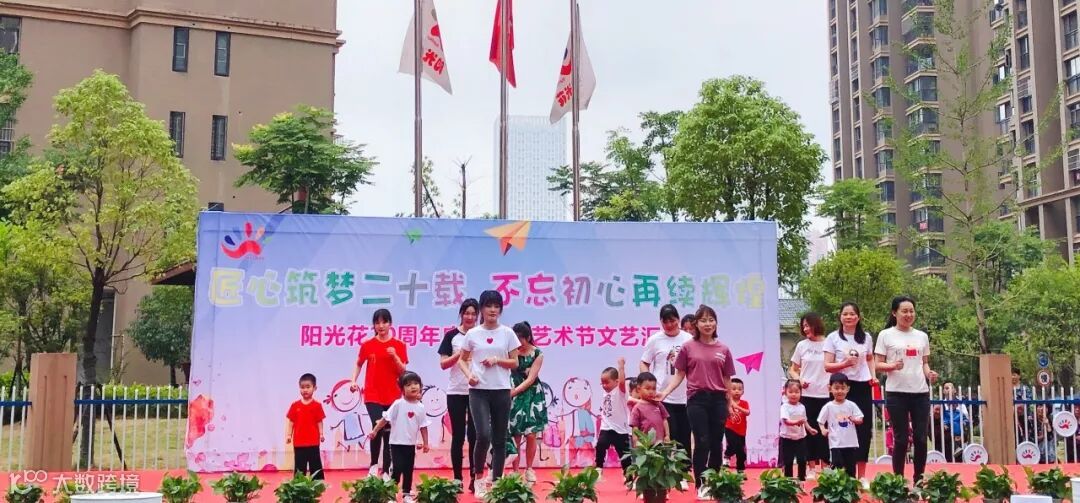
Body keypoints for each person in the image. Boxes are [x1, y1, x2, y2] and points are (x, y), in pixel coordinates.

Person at [658, 304, 737, 501]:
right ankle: (701, 485)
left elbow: (727, 378)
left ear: (716, 323)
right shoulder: (688, 347)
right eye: (703, 320)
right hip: (696, 400)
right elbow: (679, 374)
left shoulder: (723, 349)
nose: (707, 324)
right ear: (696, 324)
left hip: (718, 400)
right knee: (702, 442)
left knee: (717, 443)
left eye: (711, 320)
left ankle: (714, 483)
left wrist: (730, 402)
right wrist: (665, 392)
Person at [460, 290, 520, 498]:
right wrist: (469, 375)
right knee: (483, 435)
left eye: (496, 306)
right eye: (488, 306)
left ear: (500, 310)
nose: (493, 310)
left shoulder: (508, 333)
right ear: (481, 309)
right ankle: (478, 478)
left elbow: (515, 362)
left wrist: (497, 360)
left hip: (501, 390)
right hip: (479, 391)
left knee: (500, 438)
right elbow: (462, 359)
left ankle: (496, 481)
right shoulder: (473, 334)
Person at [875, 295, 936, 483]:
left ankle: (919, 479)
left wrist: (929, 373)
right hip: (896, 393)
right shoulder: (886, 335)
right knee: (901, 439)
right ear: (894, 313)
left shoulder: (921, 336)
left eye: (911, 311)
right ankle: (898, 481)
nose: (908, 314)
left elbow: (924, 363)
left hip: (920, 393)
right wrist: (892, 366)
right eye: (904, 311)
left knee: (920, 438)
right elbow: (878, 364)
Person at [640, 304, 693, 489]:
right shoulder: (655, 340)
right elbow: (644, 362)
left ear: (678, 319)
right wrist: (648, 384)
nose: (669, 325)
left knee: (685, 435)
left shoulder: (688, 339)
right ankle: (667, 474)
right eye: (665, 321)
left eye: (672, 320)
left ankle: (684, 473)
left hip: (686, 396)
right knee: (668, 435)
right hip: (662, 397)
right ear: (661, 322)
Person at [823, 302, 876, 485]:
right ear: (840, 317)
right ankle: (840, 472)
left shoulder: (866, 338)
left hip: (862, 386)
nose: (849, 317)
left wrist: (873, 376)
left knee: (863, 429)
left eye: (852, 314)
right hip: (841, 386)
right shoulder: (833, 338)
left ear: (858, 317)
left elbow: (870, 359)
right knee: (839, 427)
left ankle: (861, 476)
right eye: (845, 314)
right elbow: (827, 365)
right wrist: (844, 364)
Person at [352, 309, 408, 479]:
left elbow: (403, 371)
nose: (381, 326)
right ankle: (373, 466)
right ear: (374, 325)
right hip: (372, 393)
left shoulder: (399, 345)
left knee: (389, 430)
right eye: (377, 323)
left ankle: (386, 469)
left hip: (393, 395)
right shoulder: (367, 345)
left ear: (390, 324)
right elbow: (359, 363)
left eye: (384, 322)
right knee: (377, 425)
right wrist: (353, 380)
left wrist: (395, 356)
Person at [436, 298, 479, 490]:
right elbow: (443, 364)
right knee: (458, 436)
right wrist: (460, 355)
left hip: (477, 391)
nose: (469, 317)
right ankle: (457, 478)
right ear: (461, 314)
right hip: (455, 391)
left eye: (473, 314)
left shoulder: (481, 334)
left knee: (475, 436)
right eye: (466, 313)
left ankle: (475, 478)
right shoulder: (451, 336)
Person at [368, 372, 430, 503]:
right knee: (397, 467)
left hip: (410, 444)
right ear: (402, 389)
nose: (413, 387)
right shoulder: (398, 404)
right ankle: (391, 494)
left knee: (408, 469)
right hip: (396, 443)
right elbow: (385, 419)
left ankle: (406, 494)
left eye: (416, 383)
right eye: (408, 385)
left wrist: (426, 443)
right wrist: (375, 431)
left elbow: (423, 426)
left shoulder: (421, 407)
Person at [789, 312, 830, 479]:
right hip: (807, 395)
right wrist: (799, 379)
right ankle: (811, 467)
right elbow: (793, 369)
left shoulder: (829, 343)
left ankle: (826, 467)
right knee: (810, 431)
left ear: (816, 324)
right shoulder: (802, 346)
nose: (806, 329)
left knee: (825, 431)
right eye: (803, 326)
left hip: (826, 395)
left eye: (808, 325)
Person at [508, 321, 547, 482]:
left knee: (531, 435)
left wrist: (514, 392)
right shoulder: (510, 352)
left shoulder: (538, 353)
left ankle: (529, 469)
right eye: (515, 338)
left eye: (521, 338)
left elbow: (531, 379)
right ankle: (515, 471)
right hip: (514, 395)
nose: (519, 342)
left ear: (528, 337)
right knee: (515, 434)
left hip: (532, 396)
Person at [818, 373, 864, 478]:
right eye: (836, 388)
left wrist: (855, 420)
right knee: (837, 465)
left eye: (843, 388)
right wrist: (823, 429)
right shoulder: (828, 406)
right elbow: (820, 421)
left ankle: (851, 485)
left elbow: (860, 419)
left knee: (850, 467)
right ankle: (835, 484)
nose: (840, 391)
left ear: (848, 389)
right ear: (830, 388)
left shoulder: (851, 405)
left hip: (850, 442)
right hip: (835, 443)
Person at [596, 358, 632, 477]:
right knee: (601, 444)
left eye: (607, 382)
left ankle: (628, 476)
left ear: (616, 381)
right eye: (602, 383)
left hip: (620, 429)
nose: (604, 385)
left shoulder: (620, 391)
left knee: (624, 455)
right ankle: (598, 468)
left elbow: (622, 382)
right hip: (606, 426)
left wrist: (621, 366)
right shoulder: (605, 392)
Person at [286, 373, 326, 480]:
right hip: (299, 443)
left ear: (314, 388)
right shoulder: (295, 405)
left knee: (315, 464)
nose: (305, 390)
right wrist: (289, 435)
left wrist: (321, 434)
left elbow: (319, 421)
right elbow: (291, 422)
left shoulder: (317, 405)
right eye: (302, 387)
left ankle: (318, 483)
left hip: (313, 442)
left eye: (308, 387)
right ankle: (299, 484)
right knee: (299, 466)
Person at [780, 379, 818, 481]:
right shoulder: (784, 407)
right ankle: (788, 480)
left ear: (801, 393)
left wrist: (810, 429)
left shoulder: (802, 407)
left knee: (802, 459)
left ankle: (801, 478)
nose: (794, 394)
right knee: (788, 460)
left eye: (797, 392)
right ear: (785, 392)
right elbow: (786, 421)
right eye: (791, 392)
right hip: (787, 438)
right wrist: (796, 422)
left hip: (801, 437)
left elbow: (804, 420)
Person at [931, 381, 969, 462]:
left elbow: (966, 421)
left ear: (955, 390)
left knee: (960, 460)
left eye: (951, 388)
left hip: (960, 436)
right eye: (946, 388)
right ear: (943, 391)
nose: (949, 390)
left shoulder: (961, 405)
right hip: (945, 439)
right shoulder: (940, 405)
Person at [630, 372, 670, 441]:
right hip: (645, 444)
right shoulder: (637, 408)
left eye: (654, 389)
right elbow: (635, 428)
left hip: (660, 443)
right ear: (639, 389)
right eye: (648, 388)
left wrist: (667, 435)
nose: (651, 391)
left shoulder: (658, 404)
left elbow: (664, 420)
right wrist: (636, 442)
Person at [724, 378, 750, 472]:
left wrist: (737, 407)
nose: (737, 391)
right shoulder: (727, 403)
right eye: (734, 389)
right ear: (729, 390)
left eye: (739, 389)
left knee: (741, 451)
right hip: (729, 428)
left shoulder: (744, 403)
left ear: (743, 391)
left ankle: (740, 470)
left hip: (741, 431)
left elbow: (747, 412)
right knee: (732, 444)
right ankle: (727, 456)